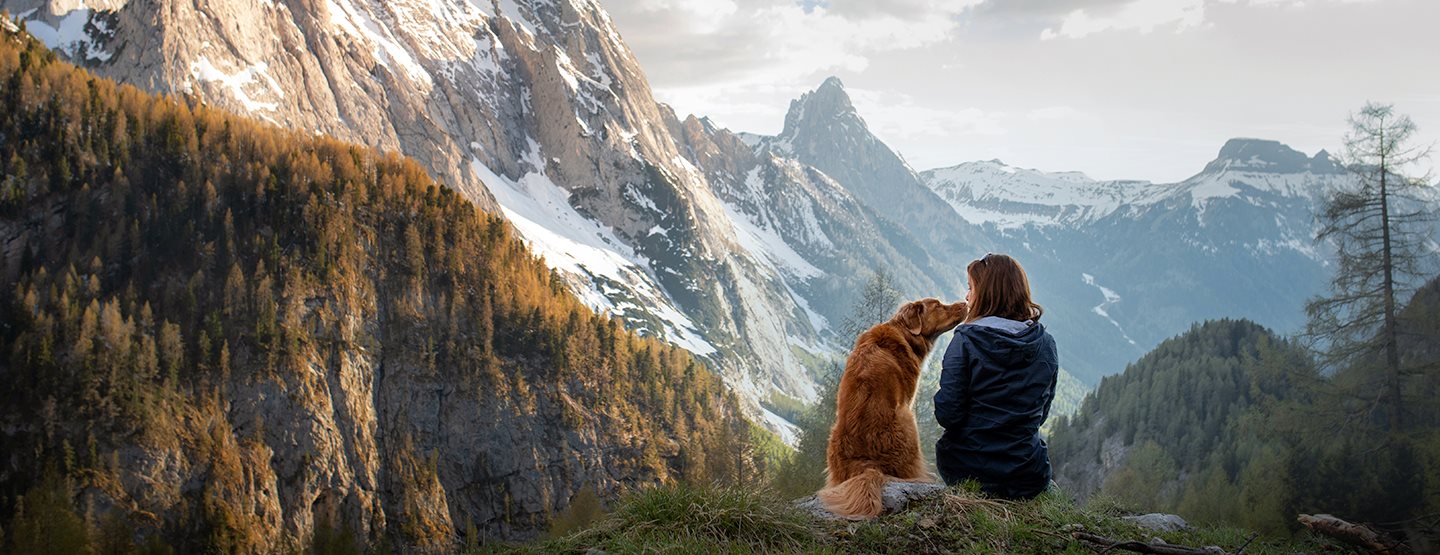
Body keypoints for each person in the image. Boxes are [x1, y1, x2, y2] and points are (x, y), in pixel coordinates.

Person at [933, 253, 1058, 500]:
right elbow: (1040, 415)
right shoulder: (1045, 344)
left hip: (967, 471)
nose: (967, 296)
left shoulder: (966, 341)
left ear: (989, 293)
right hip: (1027, 475)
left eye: (971, 288)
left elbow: (948, 414)